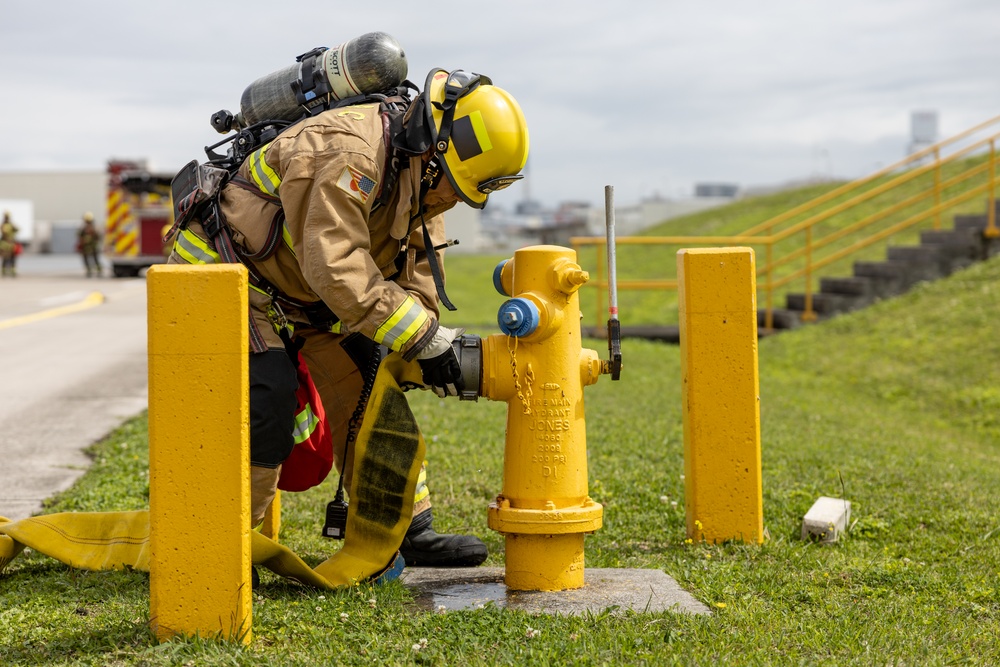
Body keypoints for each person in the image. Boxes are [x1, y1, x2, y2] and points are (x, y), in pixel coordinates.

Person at [169, 68, 529, 568]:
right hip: (229, 276)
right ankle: (216, 550)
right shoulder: (350, 151)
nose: (455, 197)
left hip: (302, 289)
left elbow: (421, 261)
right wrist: (426, 337)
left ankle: (403, 527)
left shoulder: (426, 175)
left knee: (371, 384)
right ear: (435, 147)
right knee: (264, 399)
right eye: (456, 185)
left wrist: (419, 338)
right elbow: (335, 264)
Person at [77, 212, 102, 277]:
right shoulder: (83, 228)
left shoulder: (95, 227)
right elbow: (80, 236)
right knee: (86, 259)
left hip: (93, 246)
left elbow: (98, 237)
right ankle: (89, 271)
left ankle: (99, 271)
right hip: (85, 247)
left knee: (95, 259)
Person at [0, 211, 19, 277]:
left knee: (13, 258)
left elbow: (17, 229)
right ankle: (4, 272)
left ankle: (13, 271)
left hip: (11, 244)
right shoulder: (4, 225)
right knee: (5, 258)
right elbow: (4, 232)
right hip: (5, 244)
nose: (7, 218)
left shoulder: (11, 225)